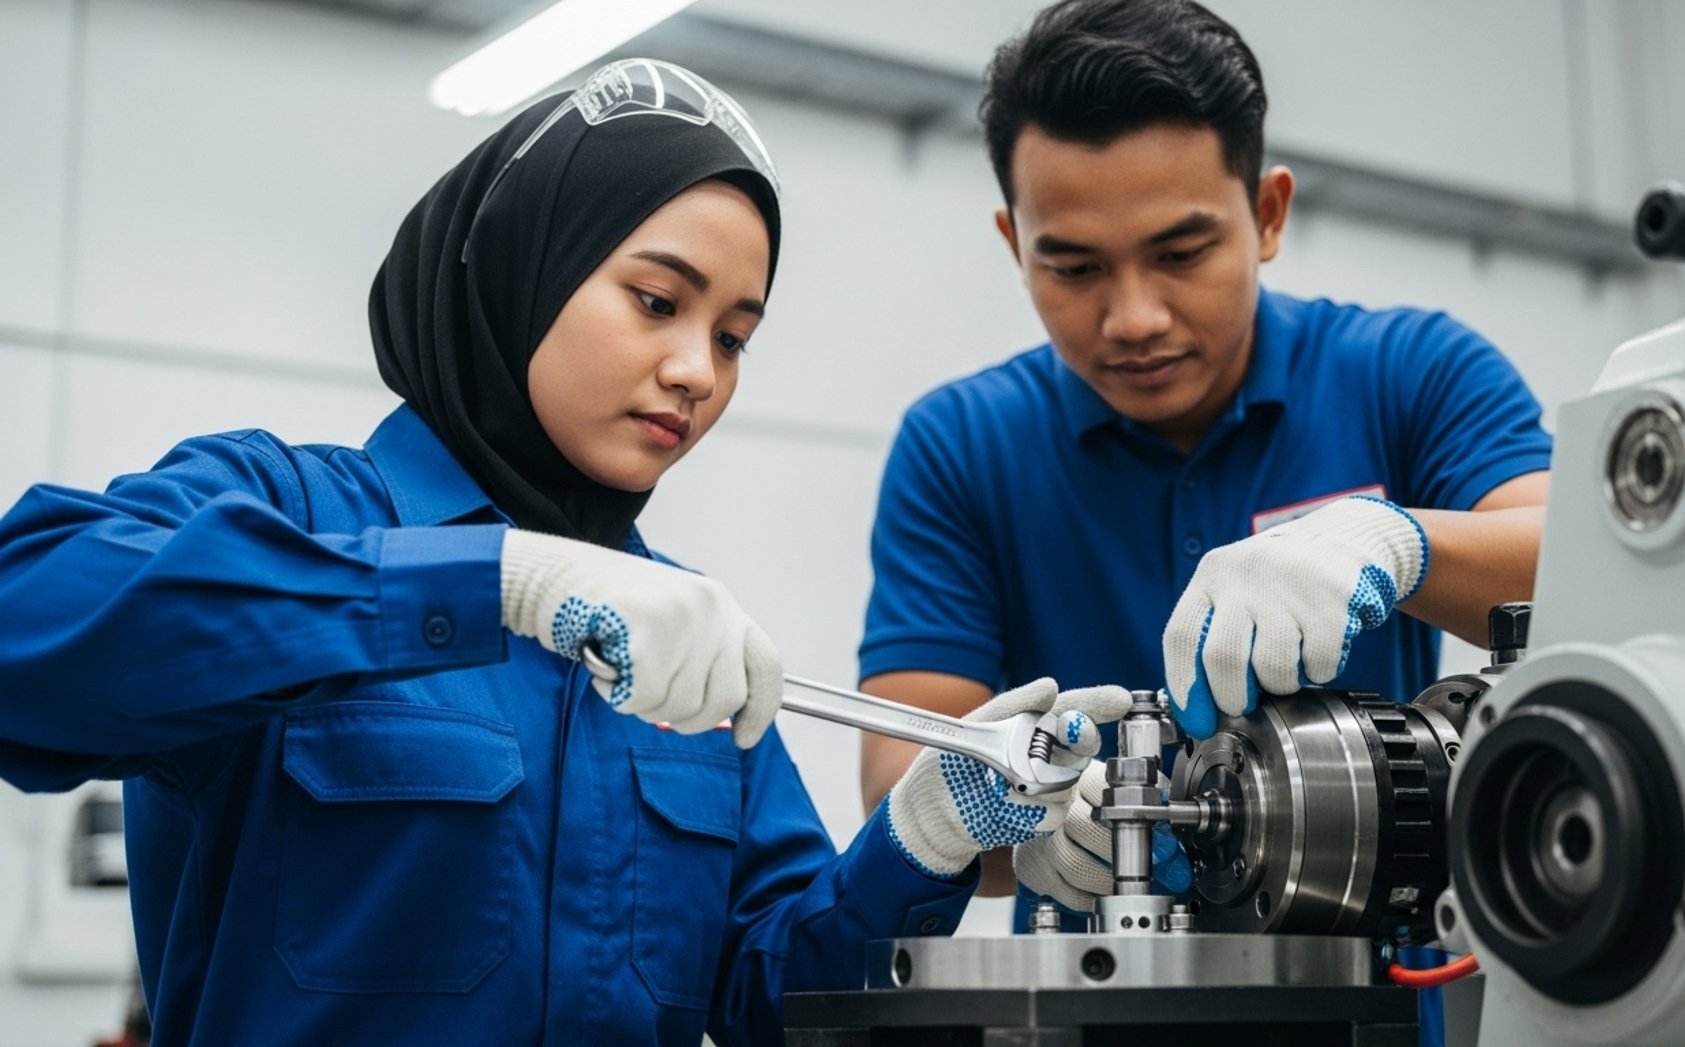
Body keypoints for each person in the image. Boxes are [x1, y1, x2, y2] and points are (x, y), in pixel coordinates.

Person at [0, 59, 1124, 1046]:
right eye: (655, 300)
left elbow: (775, 998)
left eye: (734, 336)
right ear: (518, 273)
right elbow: (27, 628)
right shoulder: (286, 506)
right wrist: (494, 583)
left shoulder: (688, 637)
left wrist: (923, 837)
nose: (700, 371)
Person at [855, 3, 1550, 1038]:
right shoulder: (961, 446)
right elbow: (897, 773)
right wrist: (1024, 819)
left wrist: (1398, 540)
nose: (1133, 317)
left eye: (1181, 253)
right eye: (1075, 267)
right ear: (1014, 241)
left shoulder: (1413, 374)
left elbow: (1577, 575)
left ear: (1268, 212)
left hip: (1379, 1014)